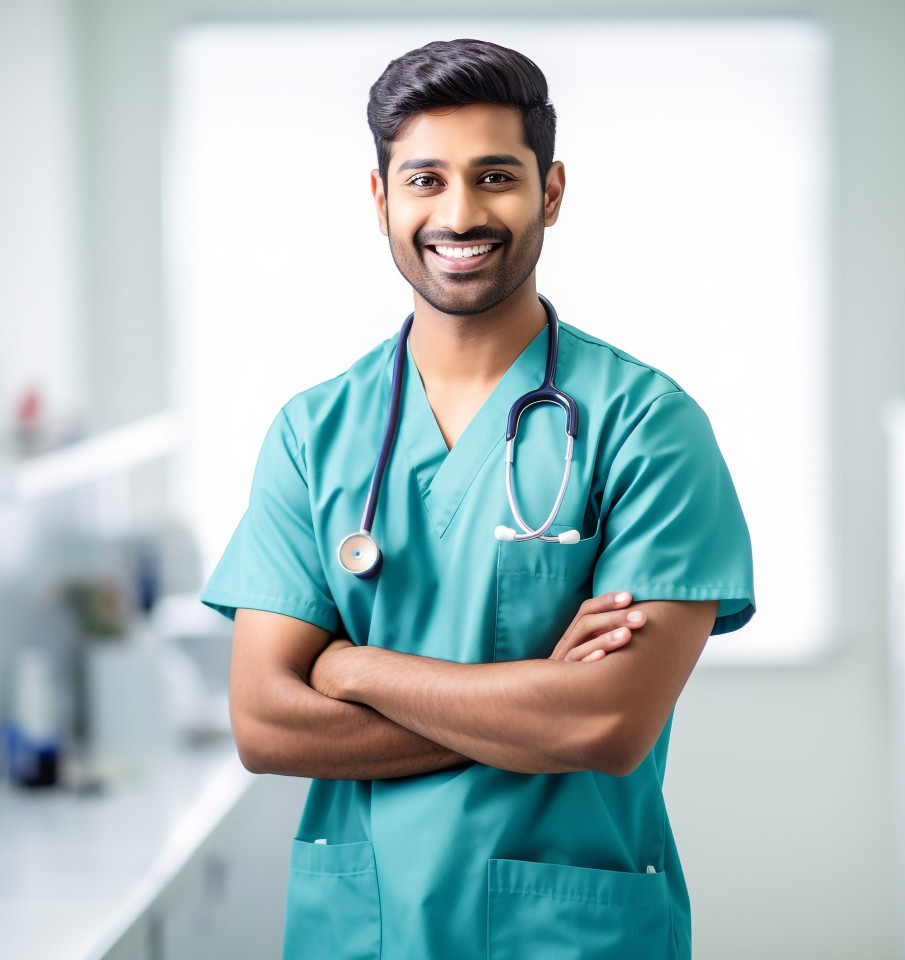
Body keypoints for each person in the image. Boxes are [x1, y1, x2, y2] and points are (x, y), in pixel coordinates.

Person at [202, 38, 755, 960]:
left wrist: (350, 668)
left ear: (552, 191)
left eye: (495, 175)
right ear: (381, 199)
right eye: (425, 180)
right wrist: (530, 709)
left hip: (564, 934)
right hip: (362, 932)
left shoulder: (648, 427)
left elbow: (607, 723)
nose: (460, 213)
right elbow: (264, 723)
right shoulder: (312, 434)